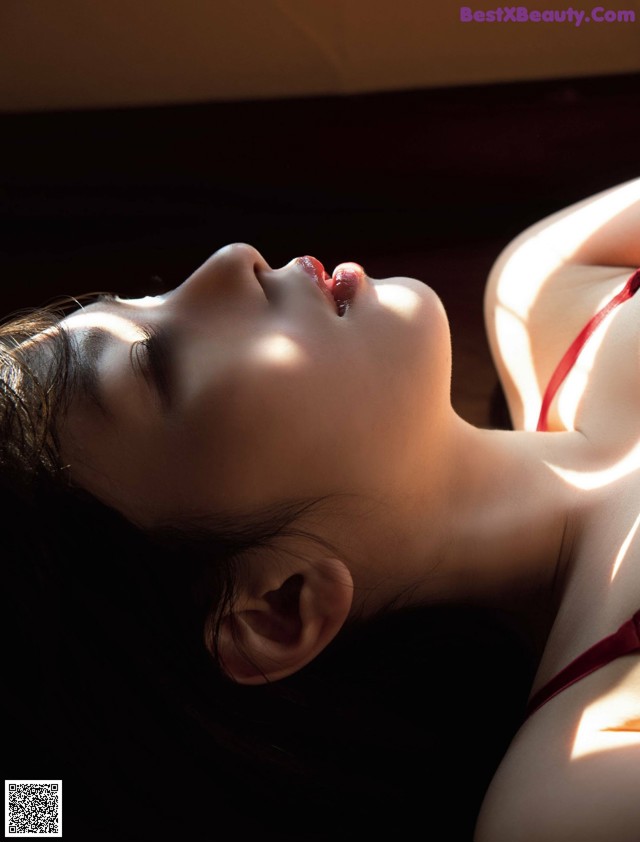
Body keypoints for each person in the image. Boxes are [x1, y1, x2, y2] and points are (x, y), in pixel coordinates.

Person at [2, 177, 638, 840]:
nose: (232, 259)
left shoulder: (556, 276)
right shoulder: (574, 796)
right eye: (158, 366)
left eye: (143, 299)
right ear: (276, 611)